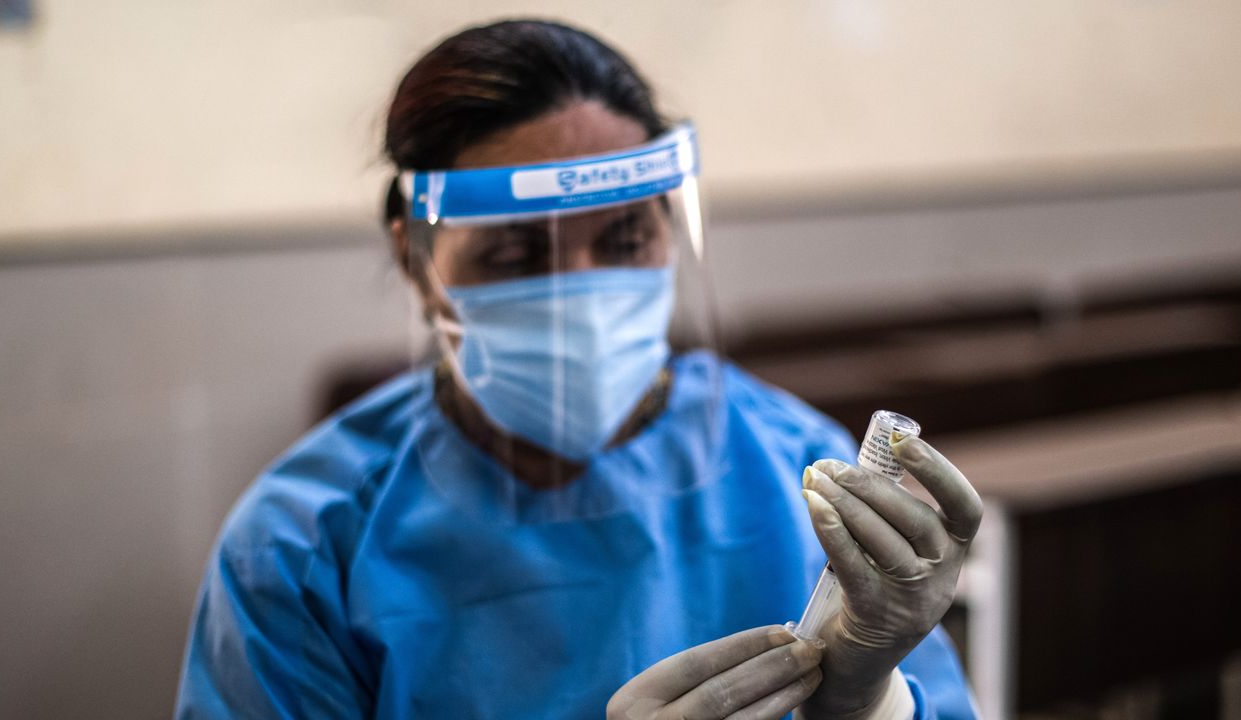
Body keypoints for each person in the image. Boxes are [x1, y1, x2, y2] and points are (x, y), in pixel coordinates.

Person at [175, 19, 983, 720]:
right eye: (519, 251)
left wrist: (869, 704)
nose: (582, 293)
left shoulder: (794, 465)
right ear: (415, 260)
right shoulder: (304, 544)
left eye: (626, 241)